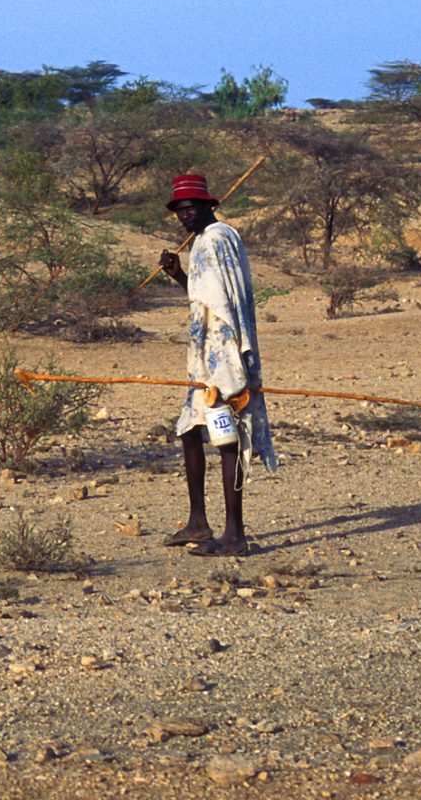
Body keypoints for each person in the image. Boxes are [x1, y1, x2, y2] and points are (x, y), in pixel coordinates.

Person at [156, 173, 277, 556]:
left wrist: (230, 366)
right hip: (204, 355)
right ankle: (198, 522)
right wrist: (179, 276)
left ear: (210, 205)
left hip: (223, 358)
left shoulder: (219, 238)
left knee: (229, 439)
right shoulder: (204, 243)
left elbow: (227, 305)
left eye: (191, 207)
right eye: (180, 210)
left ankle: (235, 536)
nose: (185, 216)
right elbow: (207, 296)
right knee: (190, 430)